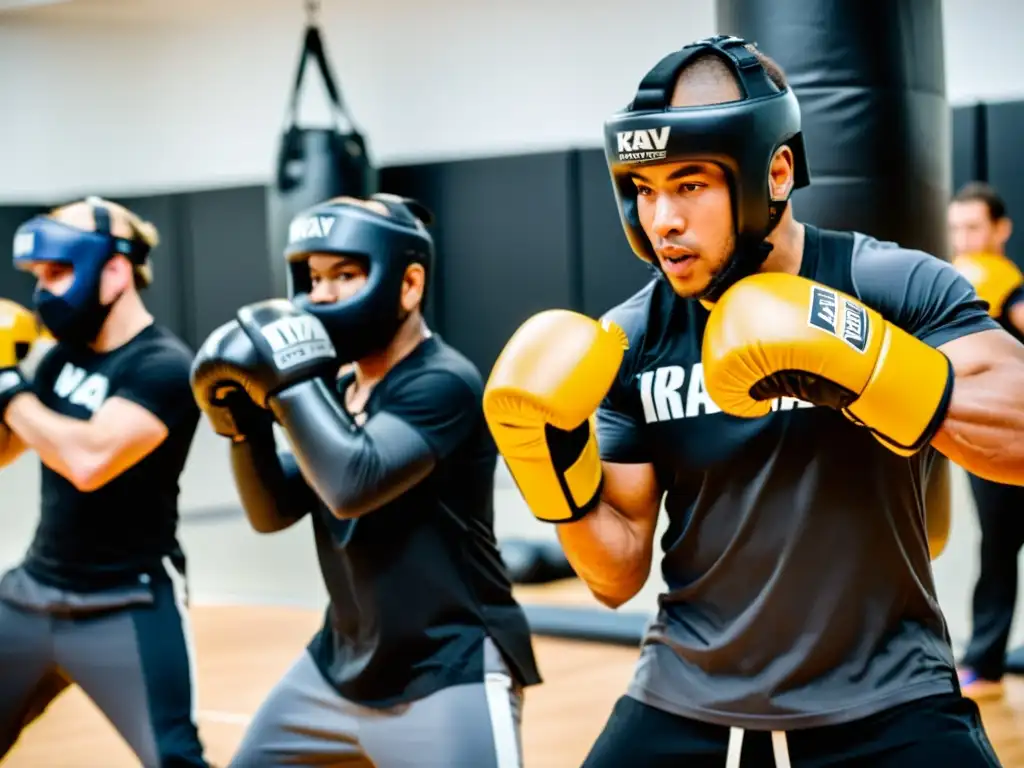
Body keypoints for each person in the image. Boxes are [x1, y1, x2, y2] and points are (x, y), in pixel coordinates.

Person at [483, 35, 1024, 767]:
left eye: (690, 184)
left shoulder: (886, 285)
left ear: (774, 171)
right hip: (686, 694)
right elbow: (615, 575)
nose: (662, 220)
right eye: (644, 189)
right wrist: (550, 466)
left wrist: (871, 366)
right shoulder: (630, 337)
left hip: (889, 697)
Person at [190, 193, 542, 767]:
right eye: (313, 277)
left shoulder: (443, 383)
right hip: (338, 669)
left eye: (345, 275)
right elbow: (272, 510)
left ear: (408, 285)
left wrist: (288, 382)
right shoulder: (334, 388)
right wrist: (242, 428)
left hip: (444, 671)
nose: (321, 294)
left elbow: (352, 483)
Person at [0, 198, 207, 766]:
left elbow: (89, 462)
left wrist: (5, 386)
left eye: (59, 273)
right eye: (39, 277)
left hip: (128, 600)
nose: (43, 293)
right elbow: (6, 451)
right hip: (32, 592)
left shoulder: (163, 365)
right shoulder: (57, 358)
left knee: (174, 759)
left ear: (115, 271)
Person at [948, 180, 1024, 700]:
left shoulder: (1011, 290)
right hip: (987, 441)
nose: (965, 239)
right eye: (956, 228)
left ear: (1001, 230)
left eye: (974, 227)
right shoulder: (951, 286)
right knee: (996, 551)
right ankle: (986, 662)